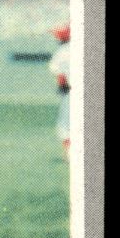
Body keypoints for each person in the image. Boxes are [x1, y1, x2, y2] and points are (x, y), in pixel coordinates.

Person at [49, 23, 71, 159]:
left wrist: (62, 86)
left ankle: (71, 154)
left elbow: (59, 74)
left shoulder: (62, 51)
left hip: (71, 92)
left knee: (65, 126)